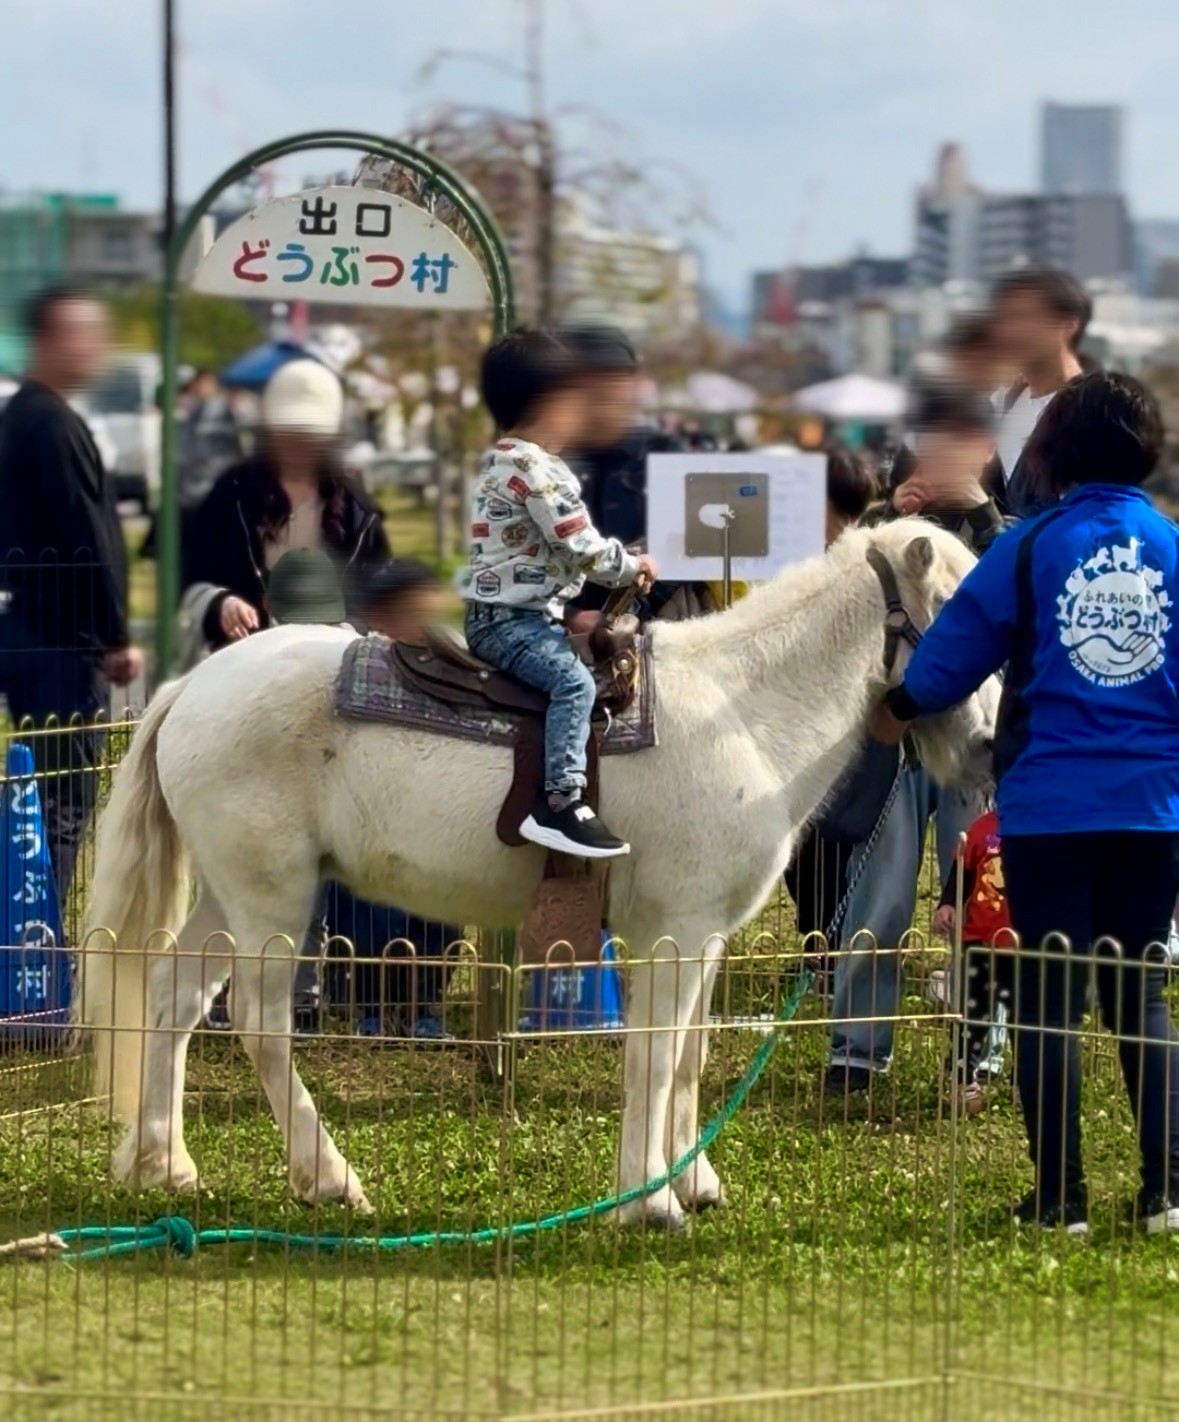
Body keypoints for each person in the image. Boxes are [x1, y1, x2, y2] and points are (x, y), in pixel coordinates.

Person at [871, 370, 1179, 1235]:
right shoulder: (1170, 543)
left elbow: (949, 660)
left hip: (1049, 806)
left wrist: (893, 712)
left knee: (1046, 1001)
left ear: (1049, 451)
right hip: (1155, 807)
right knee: (1137, 993)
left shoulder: (1033, 545)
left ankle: (1058, 1202)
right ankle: (1166, 1194)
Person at [825, 386, 1005, 1095]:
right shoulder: (883, 515)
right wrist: (882, 517)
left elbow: (1019, 585)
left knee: (980, 905)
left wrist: (982, 511)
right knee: (879, 900)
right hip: (894, 739)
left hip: (977, 743)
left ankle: (976, 1051)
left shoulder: (1010, 526)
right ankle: (854, 1050)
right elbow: (839, 587)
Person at [461, 328, 655, 859]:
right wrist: (633, 564)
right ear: (550, 404)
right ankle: (560, 802)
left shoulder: (499, 458)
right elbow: (581, 547)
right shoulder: (535, 468)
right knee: (573, 685)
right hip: (513, 621)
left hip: (502, 613)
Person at [0, 287, 142, 897]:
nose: (94, 348)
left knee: (35, 798)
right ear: (48, 341)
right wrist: (113, 635)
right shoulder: (55, 424)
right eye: (81, 333)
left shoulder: (20, 417)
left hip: (26, 629)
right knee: (60, 802)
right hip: (60, 640)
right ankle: (38, 954)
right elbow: (88, 538)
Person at [180, 358, 389, 664]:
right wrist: (221, 604)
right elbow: (194, 576)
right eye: (289, 429)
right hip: (243, 666)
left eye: (310, 430)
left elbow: (379, 589)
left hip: (332, 667)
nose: (298, 440)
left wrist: (350, 627)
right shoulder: (232, 494)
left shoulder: (356, 506)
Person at [785, 448, 880, 952]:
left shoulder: (861, 565)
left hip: (846, 728)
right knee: (803, 844)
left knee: (831, 841)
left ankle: (832, 947)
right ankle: (817, 944)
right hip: (796, 725)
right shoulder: (793, 557)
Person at [987, 267, 1091, 518]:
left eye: (1025, 317)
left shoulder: (1092, 411)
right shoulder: (1000, 405)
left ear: (1068, 324)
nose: (1010, 331)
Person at [932, 806, 1014, 1109]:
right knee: (973, 1016)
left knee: (1028, 1019)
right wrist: (947, 905)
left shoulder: (1045, 824)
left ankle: (1029, 1082)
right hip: (980, 942)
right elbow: (962, 872)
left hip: (1027, 945)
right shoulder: (983, 828)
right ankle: (960, 1077)